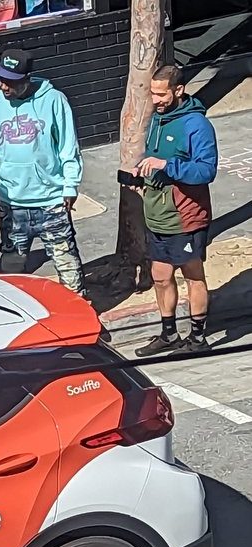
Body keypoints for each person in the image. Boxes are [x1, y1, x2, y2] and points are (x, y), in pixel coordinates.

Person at [0, 49, 86, 297]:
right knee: (13, 266)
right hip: (11, 202)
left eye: (10, 81)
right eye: (0, 80)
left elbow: (68, 146)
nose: (3, 86)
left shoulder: (54, 100)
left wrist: (70, 186)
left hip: (51, 200)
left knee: (66, 262)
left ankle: (79, 310)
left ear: (26, 78)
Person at [134, 64, 220, 358]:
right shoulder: (158, 119)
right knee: (160, 275)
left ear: (179, 91)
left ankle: (198, 338)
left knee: (193, 274)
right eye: (153, 94)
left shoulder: (196, 125)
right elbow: (155, 156)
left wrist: (166, 166)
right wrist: (143, 177)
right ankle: (169, 334)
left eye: (161, 94)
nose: (155, 100)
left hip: (185, 216)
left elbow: (206, 170)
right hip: (156, 214)